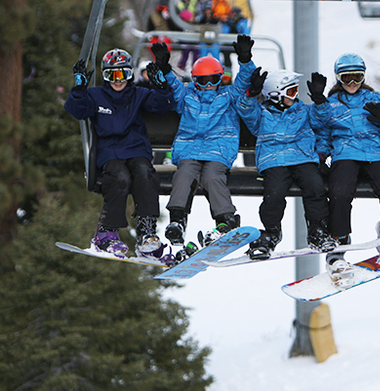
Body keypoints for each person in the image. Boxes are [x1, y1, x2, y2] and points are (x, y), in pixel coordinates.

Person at [64, 49, 176, 264]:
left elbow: (163, 105)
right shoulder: (96, 95)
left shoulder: (138, 94)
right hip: (110, 150)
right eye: (112, 76)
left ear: (130, 75)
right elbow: (78, 110)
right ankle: (106, 233)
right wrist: (79, 89)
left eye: (122, 75)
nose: (118, 81)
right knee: (120, 178)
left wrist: (161, 86)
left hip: (135, 148)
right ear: (106, 76)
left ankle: (147, 232)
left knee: (144, 173)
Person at [145, 36, 257, 246]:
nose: (208, 86)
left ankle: (226, 219)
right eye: (202, 81)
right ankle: (177, 220)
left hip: (218, 151)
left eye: (213, 80)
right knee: (184, 174)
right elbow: (174, 87)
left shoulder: (229, 96)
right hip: (190, 151)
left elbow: (244, 83)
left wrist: (245, 60)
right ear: (195, 81)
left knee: (212, 176)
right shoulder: (187, 96)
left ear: (220, 79)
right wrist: (165, 68)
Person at [317, 53, 380, 283]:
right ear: (338, 79)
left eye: (357, 77)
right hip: (346, 154)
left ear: (363, 78)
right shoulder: (331, 106)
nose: (352, 83)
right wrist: (320, 155)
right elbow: (322, 132)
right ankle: (338, 244)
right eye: (346, 78)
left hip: (375, 153)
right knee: (339, 191)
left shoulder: (378, 100)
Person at [236, 69, 338, 259]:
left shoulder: (303, 110)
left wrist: (319, 99)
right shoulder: (262, 115)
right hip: (274, 159)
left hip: (302, 158)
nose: (296, 95)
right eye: (291, 92)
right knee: (274, 193)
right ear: (274, 95)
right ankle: (271, 231)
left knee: (315, 186)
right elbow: (245, 110)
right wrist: (251, 94)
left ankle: (318, 229)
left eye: (296, 91)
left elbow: (322, 118)